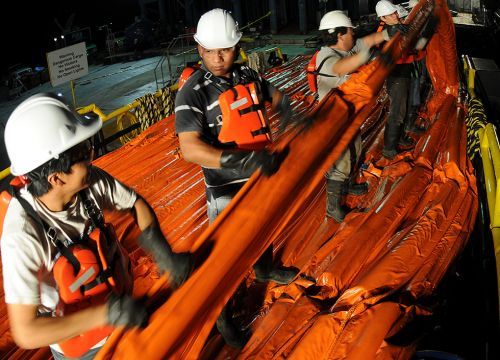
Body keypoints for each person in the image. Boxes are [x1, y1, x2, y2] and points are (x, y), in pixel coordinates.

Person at [0, 93, 192, 359]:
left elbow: (135, 204)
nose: (92, 156)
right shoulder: (22, 236)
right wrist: (107, 314)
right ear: (56, 178)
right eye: (83, 154)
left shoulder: (90, 182)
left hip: (124, 315)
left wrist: (164, 254)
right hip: (84, 348)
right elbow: (26, 331)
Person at [174, 8, 298, 347]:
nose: (218, 58)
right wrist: (238, 161)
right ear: (199, 49)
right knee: (226, 258)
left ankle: (265, 268)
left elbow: (273, 96)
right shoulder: (193, 92)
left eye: (225, 49)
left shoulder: (246, 75)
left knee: (264, 226)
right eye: (211, 50)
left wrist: (287, 110)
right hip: (225, 187)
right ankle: (223, 316)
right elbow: (190, 149)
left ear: (237, 46)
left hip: (258, 174)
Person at [314, 10, 400, 222]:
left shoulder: (349, 48)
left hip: (349, 116)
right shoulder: (326, 57)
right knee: (340, 161)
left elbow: (371, 39)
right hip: (333, 121)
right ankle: (332, 208)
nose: (354, 35)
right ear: (341, 35)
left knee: (356, 149)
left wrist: (391, 32)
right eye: (351, 31)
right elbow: (341, 67)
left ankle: (350, 184)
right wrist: (372, 59)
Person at [375, 0, 416, 159]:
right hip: (395, 75)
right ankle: (389, 148)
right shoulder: (384, 32)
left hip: (404, 71)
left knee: (403, 107)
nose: (395, 15)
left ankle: (400, 138)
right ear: (383, 18)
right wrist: (393, 31)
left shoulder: (397, 27)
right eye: (390, 14)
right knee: (397, 110)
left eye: (394, 12)